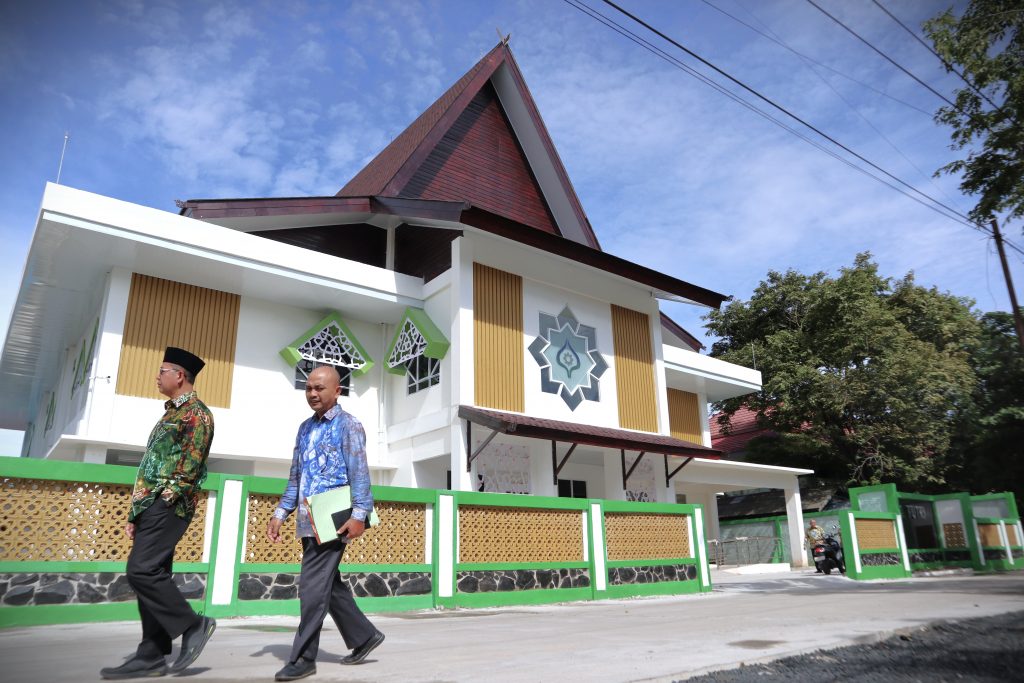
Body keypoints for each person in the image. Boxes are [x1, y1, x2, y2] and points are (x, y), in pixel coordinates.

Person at [101, 347, 217, 680]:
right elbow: (152, 465)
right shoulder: (169, 414)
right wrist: (136, 512)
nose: (157, 375)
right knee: (155, 575)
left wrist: (161, 502)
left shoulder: (197, 414)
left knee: (140, 571)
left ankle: (194, 625)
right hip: (151, 505)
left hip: (169, 505)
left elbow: (189, 468)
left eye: (162, 370)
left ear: (179, 375)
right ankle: (150, 654)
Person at [267, 365, 384, 682]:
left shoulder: (349, 425)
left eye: (319, 388)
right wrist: (281, 512)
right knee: (328, 587)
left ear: (337, 391)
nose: (313, 394)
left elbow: (359, 472)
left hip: (334, 520)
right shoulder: (304, 429)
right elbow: (296, 477)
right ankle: (364, 636)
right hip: (307, 520)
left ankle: (303, 657)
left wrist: (360, 514)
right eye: (308, 388)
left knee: (311, 589)